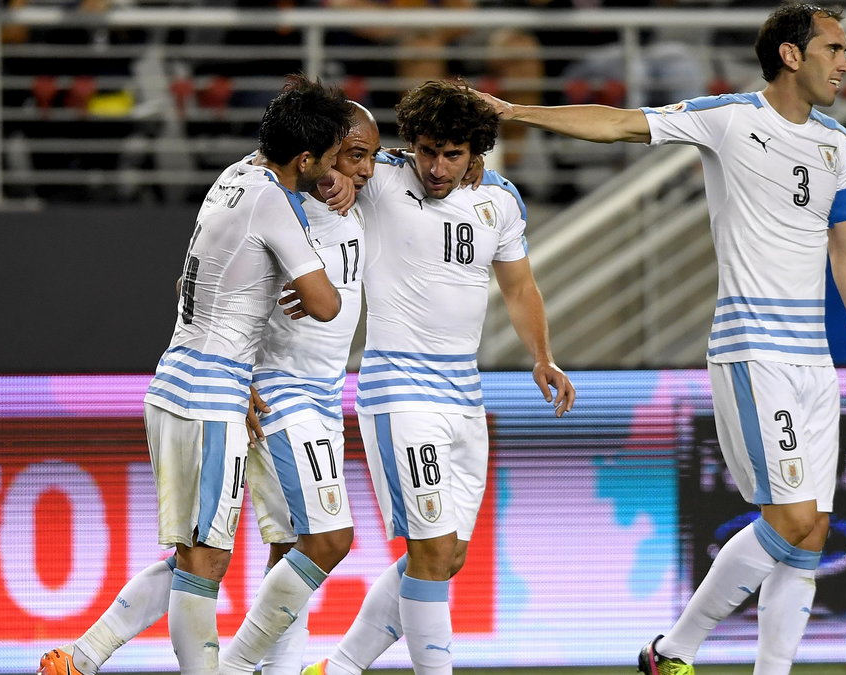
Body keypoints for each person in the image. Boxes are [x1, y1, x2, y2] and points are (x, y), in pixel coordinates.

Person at [473, 3, 846, 674]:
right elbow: (619, 124)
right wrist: (519, 113)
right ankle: (672, 649)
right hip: (752, 350)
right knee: (788, 518)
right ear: (792, 55)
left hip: (817, 362)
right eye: (834, 49)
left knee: (811, 531)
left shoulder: (835, 143)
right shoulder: (729, 118)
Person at [37, 73, 354, 675]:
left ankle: (80, 659)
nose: (338, 167)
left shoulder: (234, 177)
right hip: (212, 395)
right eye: (332, 156)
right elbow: (326, 304)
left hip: (177, 378)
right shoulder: (274, 202)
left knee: (191, 555)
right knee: (206, 562)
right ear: (306, 157)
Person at [303, 80, 576, 675]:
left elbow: (519, 285)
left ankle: (339, 668)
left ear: (476, 151)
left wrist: (542, 355)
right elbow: (311, 165)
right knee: (427, 550)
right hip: (398, 389)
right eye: (427, 150)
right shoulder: (379, 178)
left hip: (464, 393)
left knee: (447, 555)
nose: (436, 166)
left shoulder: (500, 199)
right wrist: (332, 176)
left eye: (452, 154)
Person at [218, 102, 382, 675]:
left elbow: (430, 168)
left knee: (293, 547)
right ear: (316, 154)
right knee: (328, 539)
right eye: (354, 156)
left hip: (325, 391)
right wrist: (233, 375)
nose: (365, 170)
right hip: (277, 384)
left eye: (371, 157)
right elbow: (205, 275)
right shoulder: (271, 193)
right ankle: (235, 667)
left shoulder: (362, 187)